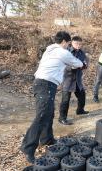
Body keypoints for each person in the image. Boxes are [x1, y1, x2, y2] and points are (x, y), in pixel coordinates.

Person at [20, 31, 84, 163]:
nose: (68, 46)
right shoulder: (62, 52)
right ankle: (28, 148)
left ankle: (47, 139)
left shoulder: (50, 50)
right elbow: (77, 63)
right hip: (45, 84)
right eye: (68, 44)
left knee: (49, 113)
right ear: (65, 42)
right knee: (42, 116)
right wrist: (83, 64)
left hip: (45, 84)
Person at [58, 36, 89, 126]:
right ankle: (62, 118)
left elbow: (85, 63)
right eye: (76, 43)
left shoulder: (82, 53)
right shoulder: (66, 52)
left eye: (80, 44)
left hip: (77, 79)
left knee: (82, 95)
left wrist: (85, 65)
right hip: (67, 79)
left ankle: (80, 110)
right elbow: (62, 64)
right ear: (71, 43)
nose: (78, 45)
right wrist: (70, 67)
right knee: (65, 100)